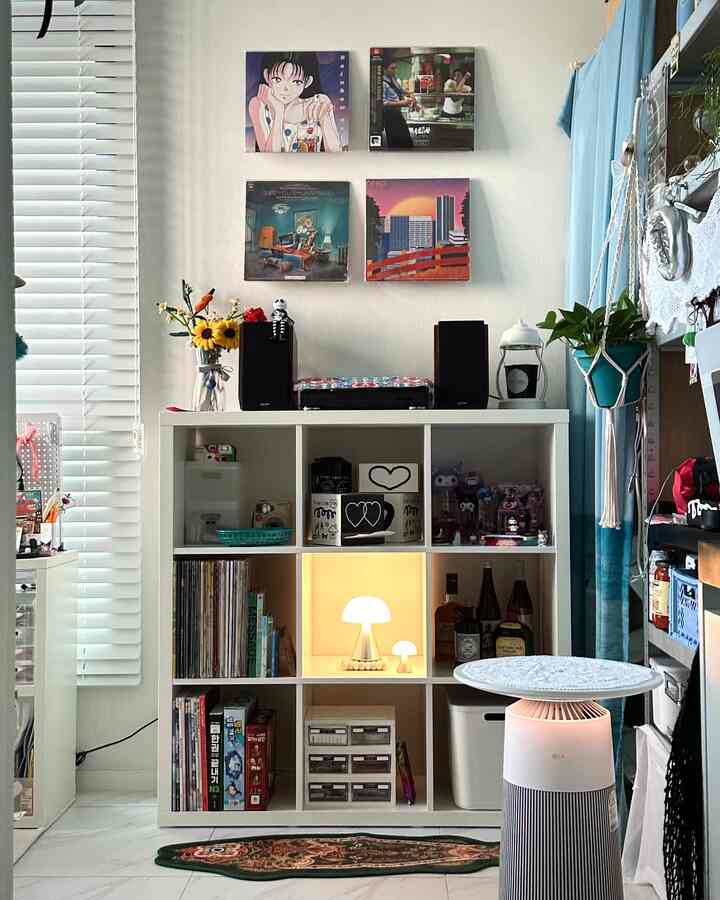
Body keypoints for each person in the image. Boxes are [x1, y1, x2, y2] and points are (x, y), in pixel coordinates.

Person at [248, 51, 342, 152]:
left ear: (307, 82)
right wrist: (278, 112)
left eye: (296, 82)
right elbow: (269, 153)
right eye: (277, 79)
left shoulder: (318, 102)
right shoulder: (258, 105)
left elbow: (335, 151)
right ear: (267, 76)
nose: (286, 89)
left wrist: (325, 119)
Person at [382, 60, 415, 149]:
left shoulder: (393, 78)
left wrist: (410, 93)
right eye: (392, 68)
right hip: (389, 114)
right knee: (395, 141)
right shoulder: (381, 83)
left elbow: (400, 90)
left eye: (395, 68)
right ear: (385, 69)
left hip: (397, 112)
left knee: (406, 139)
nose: (395, 70)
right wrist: (402, 103)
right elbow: (383, 103)